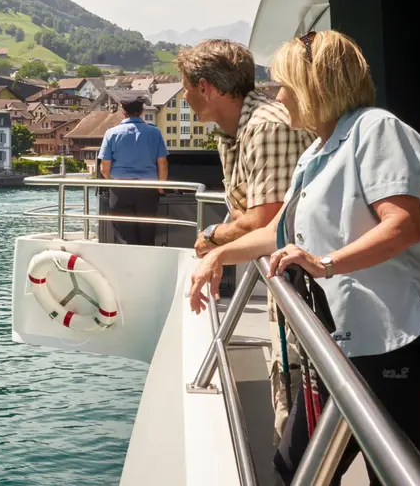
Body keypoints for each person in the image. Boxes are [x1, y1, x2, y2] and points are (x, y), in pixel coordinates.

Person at [188, 31, 420, 484]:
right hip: (337, 342)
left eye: (285, 85)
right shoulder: (315, 151)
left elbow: (403, 225)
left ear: (316, 84)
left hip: (393, 337)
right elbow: (278, 231)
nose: (278, 96)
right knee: (292, 466)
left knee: (393, 473)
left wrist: (325, 263)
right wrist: (220, 255)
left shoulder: (377, 130)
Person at [175, 39, 314, 442]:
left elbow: (265, 220)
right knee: (289, 396)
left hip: (304, 284)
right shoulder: (233, 130)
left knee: (298, 406)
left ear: (206, 88)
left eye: (185, 88)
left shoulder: (266, 126)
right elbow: (246, 217)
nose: (183, 98)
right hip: (286, 275)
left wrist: (210, 238)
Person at [97, 95, 169, 246]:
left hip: (121, 190)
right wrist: (160, 187)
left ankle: (128, 268)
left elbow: (104, 168)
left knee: (124, 236)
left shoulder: (111, 133)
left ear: (123, 112)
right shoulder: (155, 133)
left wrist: (113, 184)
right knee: (147, 234)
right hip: (148, 189)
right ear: (142, 111)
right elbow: (162, 164)